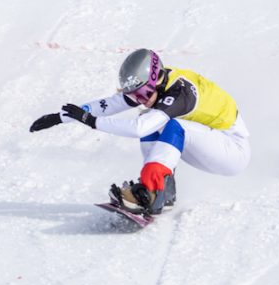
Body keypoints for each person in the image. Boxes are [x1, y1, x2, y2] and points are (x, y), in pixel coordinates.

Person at [29, 49, 250, 215]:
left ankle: (153, 189)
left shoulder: (180, 92)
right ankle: (163, 190)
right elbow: (111, 104)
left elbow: (140, 130)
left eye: (143, 94)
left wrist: (91, 121)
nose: (140, 100)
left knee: (166, 124)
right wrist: (62, 117)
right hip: (210, 142)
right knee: (150, 117)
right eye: (135, 96)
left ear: (155, 80)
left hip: (232, 150)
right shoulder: (155, 85)